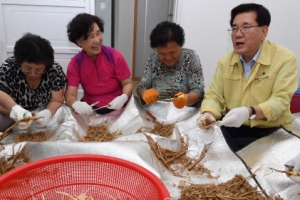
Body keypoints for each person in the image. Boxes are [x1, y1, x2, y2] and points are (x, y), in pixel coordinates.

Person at [196, 3, 298, 151]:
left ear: (263, 31)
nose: (238, 34)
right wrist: (208, 114)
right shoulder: (225, 62)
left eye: (246, 27)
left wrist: (250, 112)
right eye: (235, 28)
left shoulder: (285, 59)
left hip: (272, 130)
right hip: (234, 128)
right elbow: (214, 95)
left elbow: (280, 101)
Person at [65, 13, 132, 115]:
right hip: (91, 108)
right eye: (91, 36)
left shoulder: (114, 55)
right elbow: (70, 95)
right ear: (79, 42)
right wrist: (76, 104)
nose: (97, 40)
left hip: (118, 104)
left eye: (98, 33)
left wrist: (124, 97)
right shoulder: (75, 64)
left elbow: (127, 83)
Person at [0, 33, 66, 131]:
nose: (33, 74)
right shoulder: (10, 67)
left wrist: (48, 112)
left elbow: (57, 100)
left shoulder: (54, 70)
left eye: (39, 70)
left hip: (42, 110)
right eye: (27, 68)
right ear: (19, 62)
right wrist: (16, 110)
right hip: (10, 111)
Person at [136, 21, 205, 109]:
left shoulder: (190, 57)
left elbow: (198, 90)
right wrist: (145, 93)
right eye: (162, 53)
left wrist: (186, 99)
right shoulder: (153, 58)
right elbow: (142, 86)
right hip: (157, 110)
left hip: (184, 110)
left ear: (181, 46)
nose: (168, 58)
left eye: (172, 52)